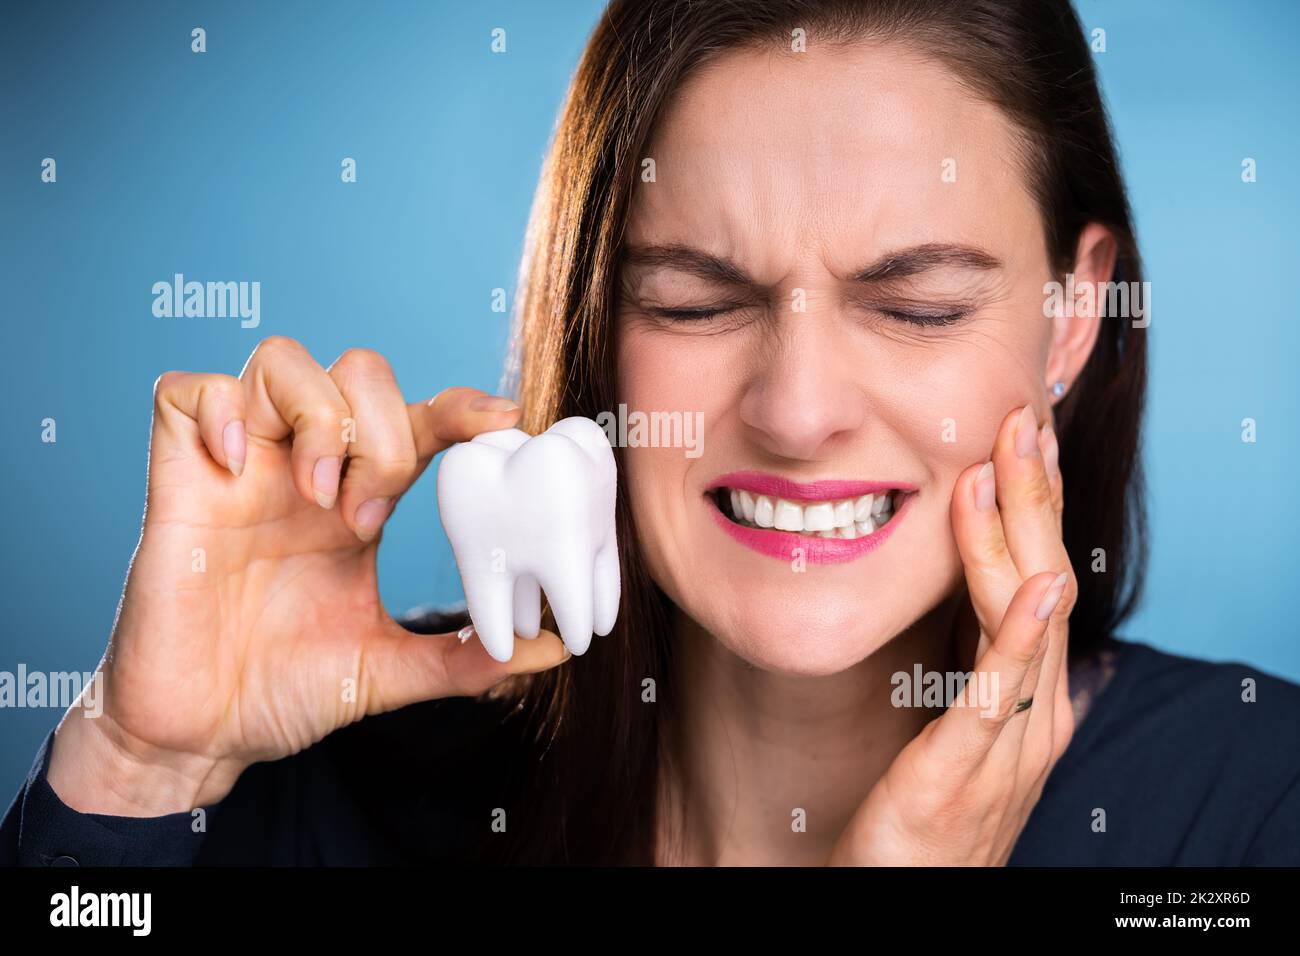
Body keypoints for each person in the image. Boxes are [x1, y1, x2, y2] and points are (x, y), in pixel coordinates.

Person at [5, 0, 1299, 867]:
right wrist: (135, 764)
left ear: (1072, 318)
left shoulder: (1250, 813)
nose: (795, 412)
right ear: (593, 326)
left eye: (915, 307)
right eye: (696, 300)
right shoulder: (342, 801)